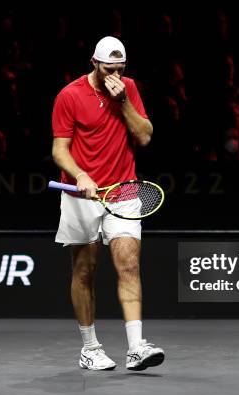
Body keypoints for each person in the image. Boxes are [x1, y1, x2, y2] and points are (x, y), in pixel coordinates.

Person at [51, 36, 164, 371]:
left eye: (120, 68)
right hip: (81, 195)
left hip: (124, 189)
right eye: (108, 68)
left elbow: (144, 135)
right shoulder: (69, 96)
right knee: (85, 270)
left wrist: (124, 101)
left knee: (128, 264)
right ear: (94, 63)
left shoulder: (128, 88)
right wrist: (80, 175)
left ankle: (136, 347)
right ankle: (90, 347)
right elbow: (60, 150)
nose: (114, 74)